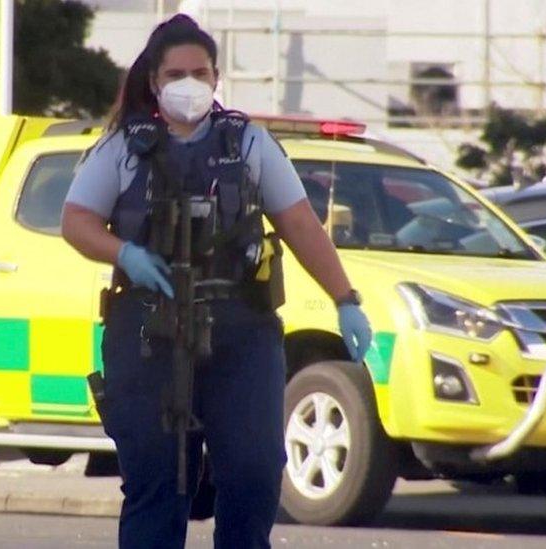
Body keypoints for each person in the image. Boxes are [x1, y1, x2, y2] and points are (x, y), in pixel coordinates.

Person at [61, 14, 372, 549]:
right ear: (155, 81)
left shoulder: (247, 143)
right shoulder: (121, 148)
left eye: (200, 72)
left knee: (254, 473)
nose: (189, 83)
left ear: (216, 76)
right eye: (176, 73)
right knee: (159, 481)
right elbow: (76, 222)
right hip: (149, 328)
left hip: (240, 330)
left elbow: (299, 223)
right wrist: (127, 254)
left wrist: (345, 299)